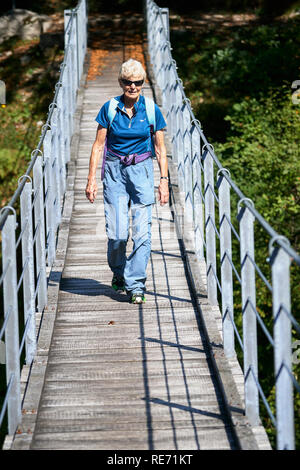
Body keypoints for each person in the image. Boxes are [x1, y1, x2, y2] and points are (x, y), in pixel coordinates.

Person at [85, 58, 169, 304]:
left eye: (138, 83)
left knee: (143, 234)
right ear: (121, 82)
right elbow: (98, 146)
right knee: (118, 234)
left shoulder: (152, 110)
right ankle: (119, 272)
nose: (133, 87)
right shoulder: (109, 108)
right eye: (128, 82)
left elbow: (161, 149)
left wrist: (163, 180)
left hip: (142, 171)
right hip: (114, 171)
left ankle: (136, 285)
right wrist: (91, 179)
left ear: (143, 83)